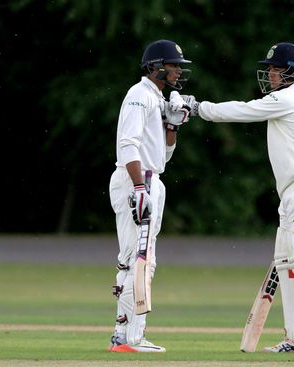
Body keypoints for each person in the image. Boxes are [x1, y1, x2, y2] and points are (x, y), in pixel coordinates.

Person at [174, 42, 294, 353]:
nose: (269, 72)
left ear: (293, 72)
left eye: (275, 68)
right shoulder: (287, 100)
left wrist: (198, 107)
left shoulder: (291, 98)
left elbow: (244, 110)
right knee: (286, 264)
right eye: (269, 68)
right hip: (293, 193)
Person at [108, 39, 192, 353]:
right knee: (139, 260)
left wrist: (173, 126)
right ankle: (131, 339)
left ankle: (122, 335)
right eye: (173, 65)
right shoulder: (139, 95)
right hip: (136, 180)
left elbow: (164, 156)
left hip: (150, 178)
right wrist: (140, 188)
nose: (178, 71)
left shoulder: (157, 100)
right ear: (156, 66)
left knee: (137, 260)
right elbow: (127, 144)